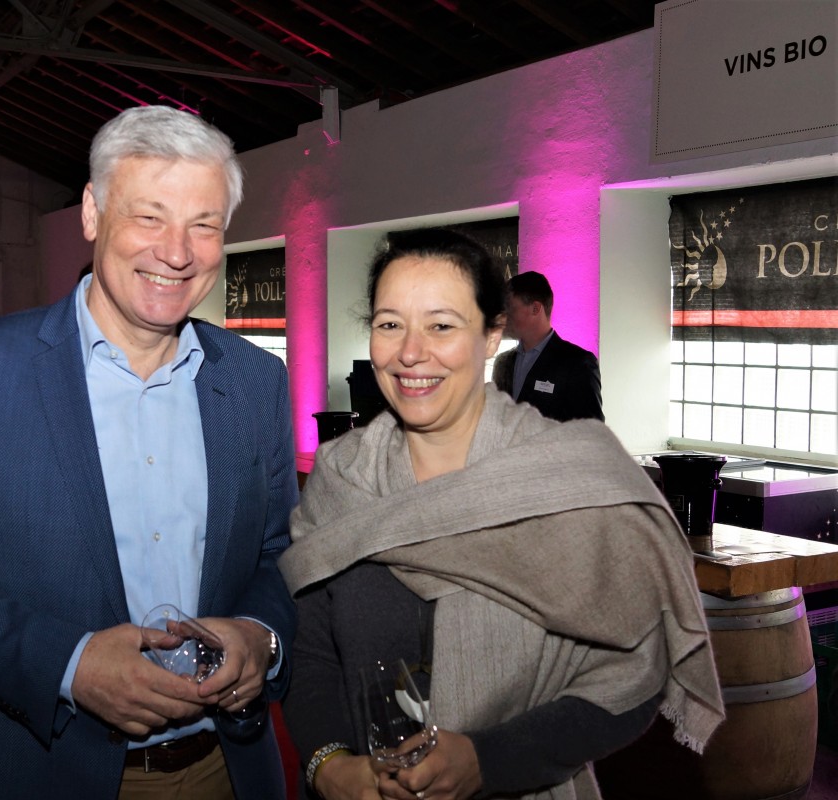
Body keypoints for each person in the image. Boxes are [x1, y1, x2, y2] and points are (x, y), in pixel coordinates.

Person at [0, 105, 297, 799]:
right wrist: (70, 665)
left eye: (204, 225)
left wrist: (259, 635)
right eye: (150, 217)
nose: (177, 253)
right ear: (93, 213)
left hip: (226, 768)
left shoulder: (256, 381)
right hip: (44, 770)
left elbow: (280, 553)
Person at [278, 228, 723, 800]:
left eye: (441, 325)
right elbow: (311, 650)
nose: (410, 352)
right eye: (390, 324)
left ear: (491, 334)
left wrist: (489, 760)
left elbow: (633, 672)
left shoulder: (567, 479)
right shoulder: (341, 478)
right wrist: (330, 765)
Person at [491, 271, 604, 422]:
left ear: (535, 309)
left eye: (510, 309)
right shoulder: (503, 362)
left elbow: (590, 431)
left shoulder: (577, 363)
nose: (502, 317)